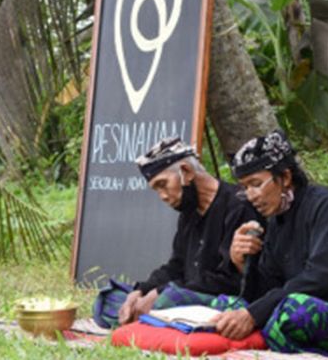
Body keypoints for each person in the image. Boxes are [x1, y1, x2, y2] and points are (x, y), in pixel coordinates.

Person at [211, 130, 328, 355]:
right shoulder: (276, 219)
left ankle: (268, 338)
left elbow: (321, 280)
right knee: (225, 305)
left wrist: (254, 315)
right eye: (245, 188)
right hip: (292, 308)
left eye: (255, 184)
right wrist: (241, 262)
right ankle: (270, 338)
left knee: (295, 311)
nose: (251, 195)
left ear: (285, 177)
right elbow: (268, 288)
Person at [92, 137, 257, 328]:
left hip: (221, 300)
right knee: (112, 298)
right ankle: (148, 318)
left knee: (167, 300)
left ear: (186, 172)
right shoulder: (189, 211)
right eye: (156, 190)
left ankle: (150, 319)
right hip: (181, 293)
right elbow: (176, 266)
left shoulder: (238, 206)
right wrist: (141, 291)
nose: (162, 196)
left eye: (163, 184)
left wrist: (161, 292)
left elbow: (229, 279)